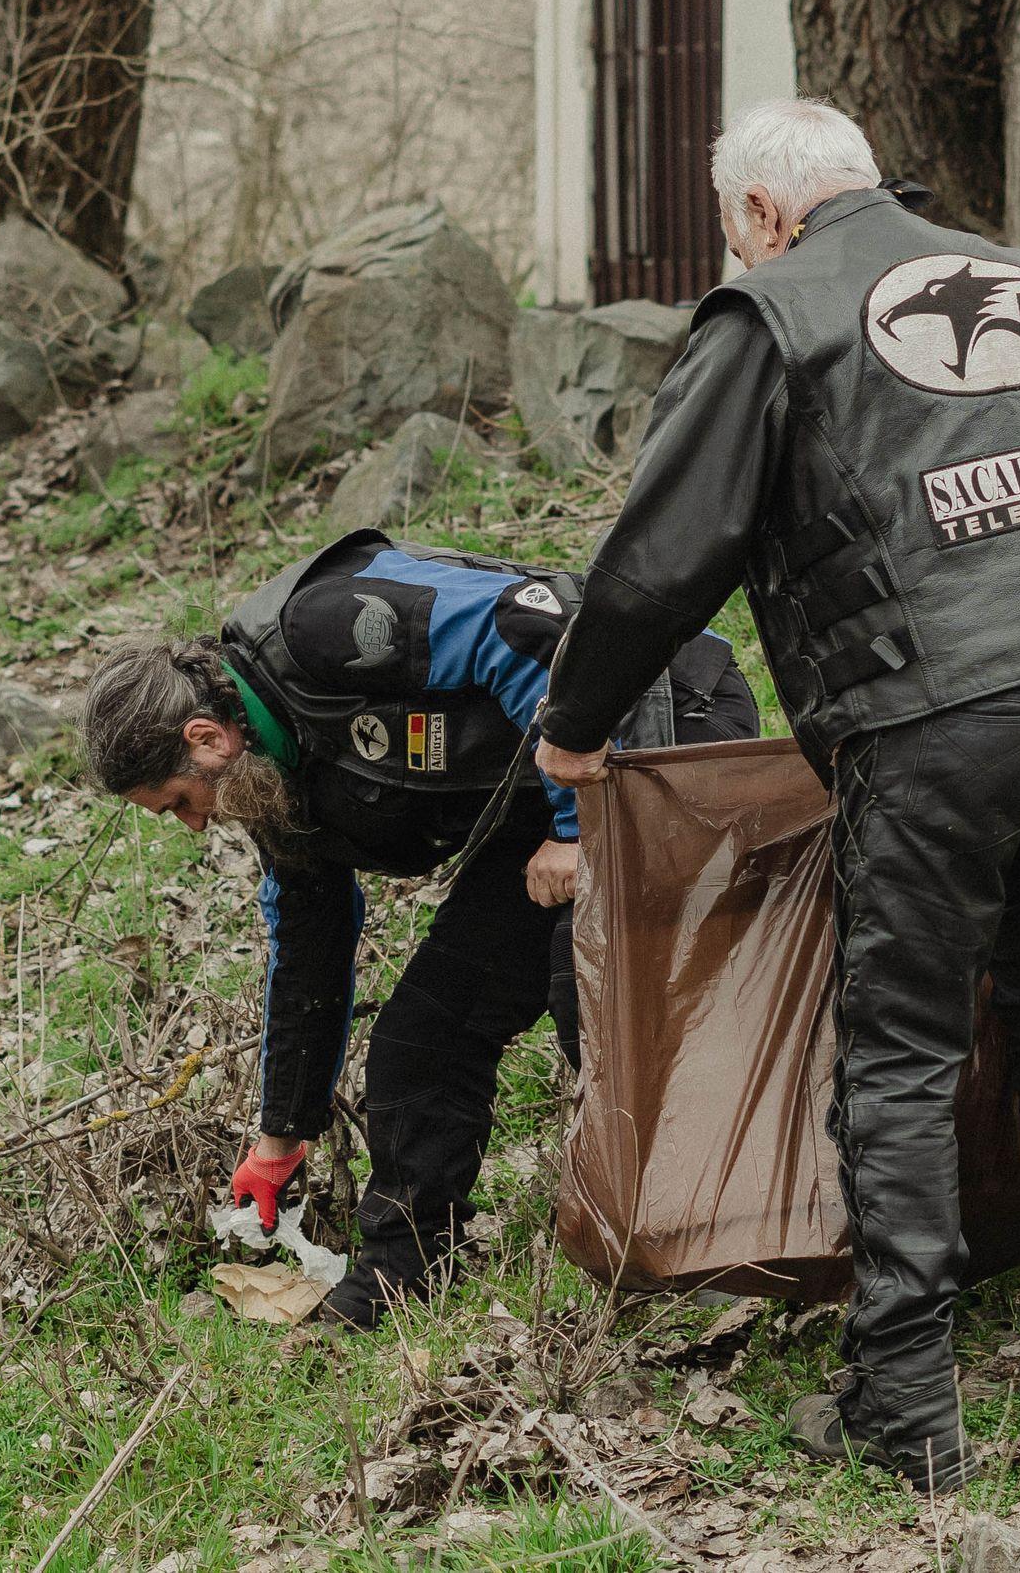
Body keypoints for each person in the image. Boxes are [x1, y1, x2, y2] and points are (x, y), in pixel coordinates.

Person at [533, 98, 1020, 1491]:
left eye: (734, 233)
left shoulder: (770, 316)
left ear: (764, 215)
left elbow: (663, 551)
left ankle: (903, 1398)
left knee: (902, 1046)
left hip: (943, 710)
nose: (737, 252)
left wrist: (574, 729)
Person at [84, 529, 758, 1330]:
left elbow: (537, 629)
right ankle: (400, 1282)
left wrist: (582, 831)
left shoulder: (327, 629)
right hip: (541, 800)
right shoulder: (269, 784)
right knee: (421, 1040)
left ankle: (712, 1247)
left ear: (205, 739)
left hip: (661, 712)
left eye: (178, 803)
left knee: (594, 992)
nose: (195, 827)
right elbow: (310, 947)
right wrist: (282, 1134)